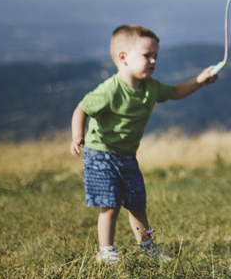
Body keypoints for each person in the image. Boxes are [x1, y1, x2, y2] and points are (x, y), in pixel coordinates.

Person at [69, 24, 219, 264]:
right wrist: (78, 136)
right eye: (147, 55)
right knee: (110, 204)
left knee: (137, 204)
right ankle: (106, 251)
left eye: (155, 56)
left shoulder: (151, 88)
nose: (153, 61)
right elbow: (82, 109)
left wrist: (199, 80)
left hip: (127, 155)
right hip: (100, 153)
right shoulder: (110, 90)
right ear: (123, 58)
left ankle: (147, 248)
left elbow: (176, 91)